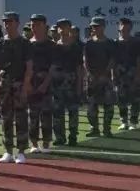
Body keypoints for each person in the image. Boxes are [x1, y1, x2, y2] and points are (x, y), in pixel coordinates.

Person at [0, 11, 32, 164]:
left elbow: (29, 67)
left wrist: (25, 86)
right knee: (5, 118)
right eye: (5, 22)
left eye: (10, 22)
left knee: (21, 118)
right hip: (4, 84)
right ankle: (8, 151)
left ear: (17, 23)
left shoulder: (25, 44)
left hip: (19, 83)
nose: (7, 24)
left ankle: (21, 151)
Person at [51, 18, 83, 146]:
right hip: (57, 84)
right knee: (57, 113)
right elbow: (52, 67)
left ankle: (73, 136)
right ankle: (60, 137)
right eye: (60, 27)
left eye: (65, 27)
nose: (62, 29)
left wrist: (80, 85)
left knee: (73, 112)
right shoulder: (54, 47)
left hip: (72, 83)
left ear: (70, 28)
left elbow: (79, 67)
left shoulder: (76, 47)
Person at [84, 16, 116, 137]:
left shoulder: (110, 43)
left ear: (103, 27)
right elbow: (85, 60)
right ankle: (94, 128)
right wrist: (91, 75)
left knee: (108, 106)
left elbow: (112, 60)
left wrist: (104, 74)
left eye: (97, 26)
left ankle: (107, 129)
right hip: (92, 79)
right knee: (92, 106)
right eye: (93, 26)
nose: (95, 28)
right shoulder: (89, 43)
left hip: (106, 79)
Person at [27, 14, 55, 155]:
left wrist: (45, 84)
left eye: (38, 24)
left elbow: (53, 66)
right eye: (32, 24)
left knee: (46, 115)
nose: (35, 27)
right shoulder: (28, 44)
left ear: (44, 26)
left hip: (46, 84)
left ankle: (46, 142)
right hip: (31, 84)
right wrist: (28, 84)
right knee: (33, 115)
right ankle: (33, 143)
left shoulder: (51, 45)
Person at [115, 18, 139, 131]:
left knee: (136, 99)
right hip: (120, 75)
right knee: (121, 99)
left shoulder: (136, 42)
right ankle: (124, 122)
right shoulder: (115, 43)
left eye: (127, 27)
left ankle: (133, 122)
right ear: (119, 27)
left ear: (130, 28)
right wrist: (113, 76)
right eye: (122, 26)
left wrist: (138, 76)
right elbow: (113, 61)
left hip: (134, 73)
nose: (125, 29)